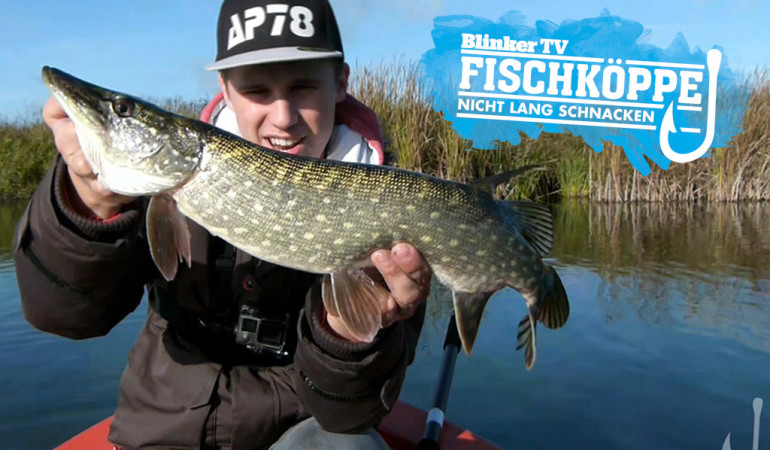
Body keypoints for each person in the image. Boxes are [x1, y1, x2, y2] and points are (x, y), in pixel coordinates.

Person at [13, 0, 432, 448]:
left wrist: (348, 335)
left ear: (340, 84)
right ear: (225, 90)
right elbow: (63, 316)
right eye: (256, 90)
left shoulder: (397, 207)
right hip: (164, 429)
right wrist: (90, 203)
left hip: (302, 429)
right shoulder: (160, 191)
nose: (283, 117)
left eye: (304, 86)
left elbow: (350, 410)